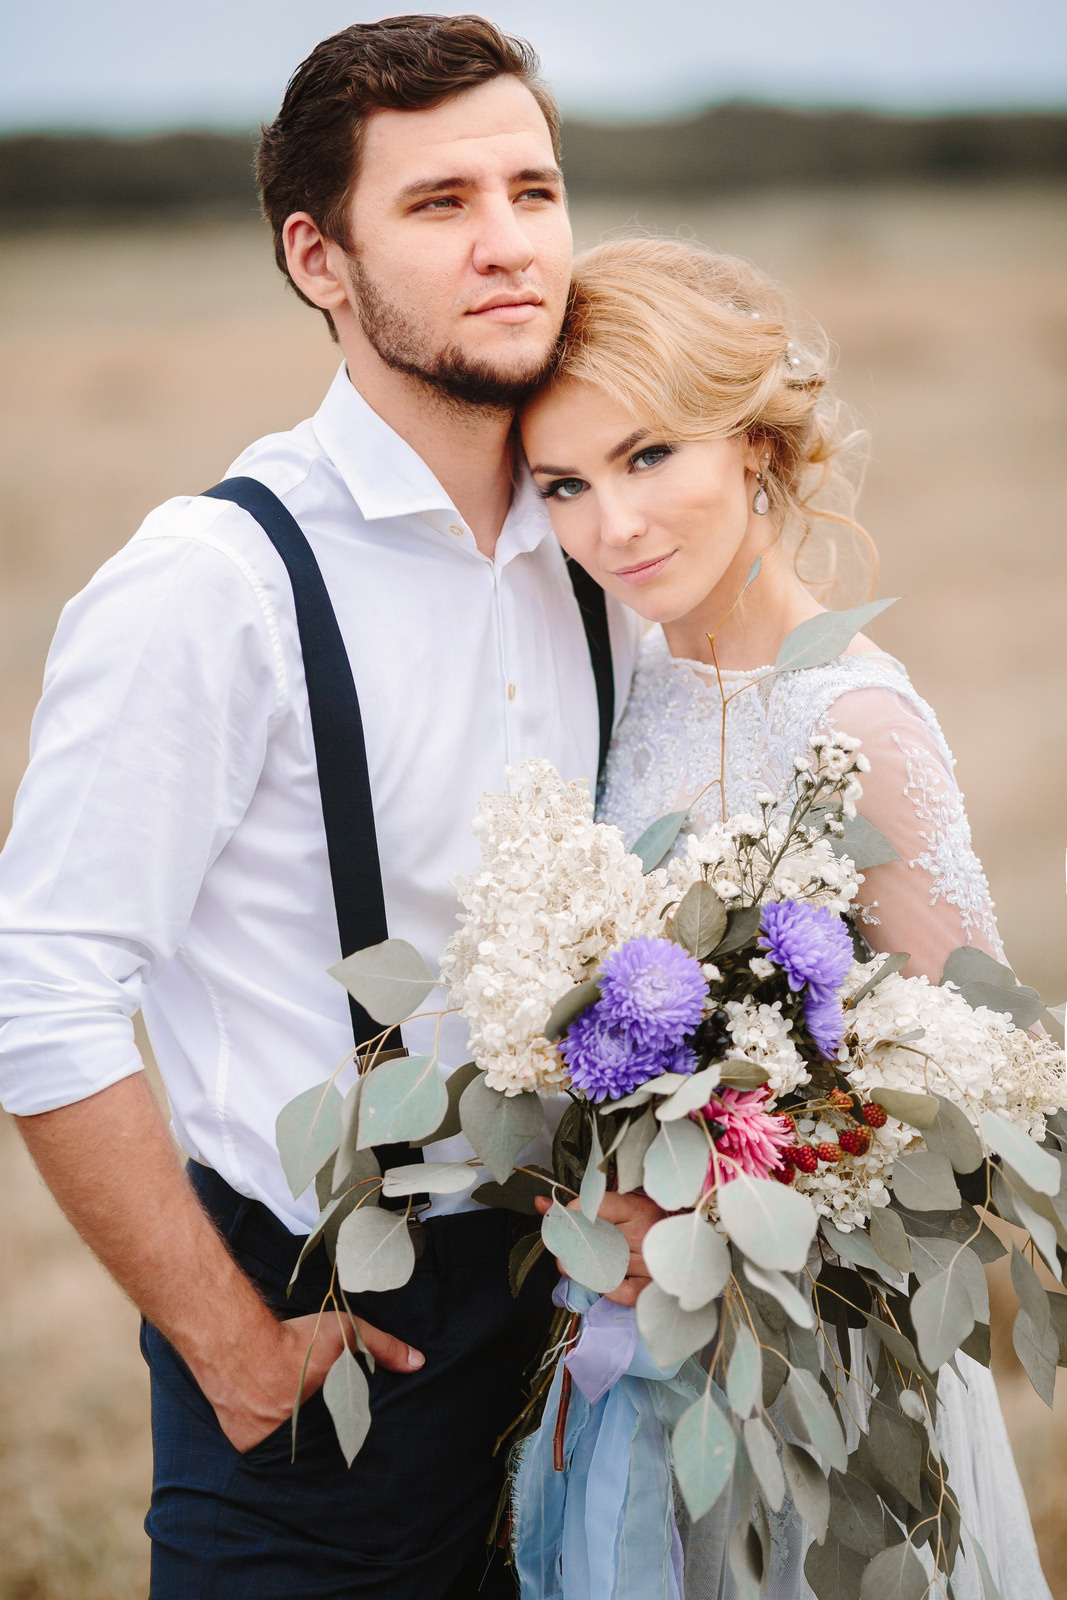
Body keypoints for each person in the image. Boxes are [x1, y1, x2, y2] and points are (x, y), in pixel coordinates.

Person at [0, 17, 661, 1600]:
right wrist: (230, 1344)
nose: (510, 245)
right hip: (313, 1369)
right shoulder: (208, 586)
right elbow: (41, 988)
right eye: (439, 205)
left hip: (593, 1352)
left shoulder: (608, 556)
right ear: (321, 257)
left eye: (534, 189)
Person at [519, 237, 1051, 1597]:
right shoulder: (616, 693)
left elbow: (989, 1086)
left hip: (811, 1365)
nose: (612, 528)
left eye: (649, 459)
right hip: (621, 1348)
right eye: (563, 484)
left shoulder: (854, 721)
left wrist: (741, 1183)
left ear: (752, 445)